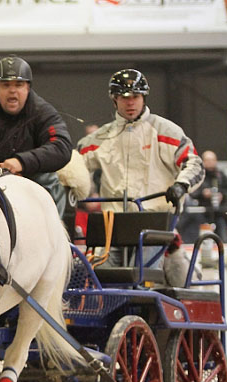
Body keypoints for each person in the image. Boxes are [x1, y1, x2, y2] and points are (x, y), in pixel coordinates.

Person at [78, 69, 204, 268]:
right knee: (99, 277)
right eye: (124, 97)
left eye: (135, 97)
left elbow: (194, 163)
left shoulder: (166, 131)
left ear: (143, 98)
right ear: (114, 100)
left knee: (146, 277)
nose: (130, 103)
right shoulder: (99, 138)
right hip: (111, 226)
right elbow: (72, 167)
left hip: (154, 224)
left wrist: (181, 185)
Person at [0, 55, 72, 218]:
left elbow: (62, 147)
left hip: (34, 184)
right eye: (5, 85)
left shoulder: (44, 112)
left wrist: (22, 162)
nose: (12, 90)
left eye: (19, 84)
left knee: (50, 179)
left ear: (28, 88)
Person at [178, 150, 227, 242]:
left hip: (218, 213)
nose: (210, 162)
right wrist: (202, 193)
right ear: (202, 161)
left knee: (222, 229)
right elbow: (190, 190)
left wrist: (222, 195)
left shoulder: (220, 175)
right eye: (208, 160)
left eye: (212, 160)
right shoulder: (197, 174)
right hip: (199, 212)